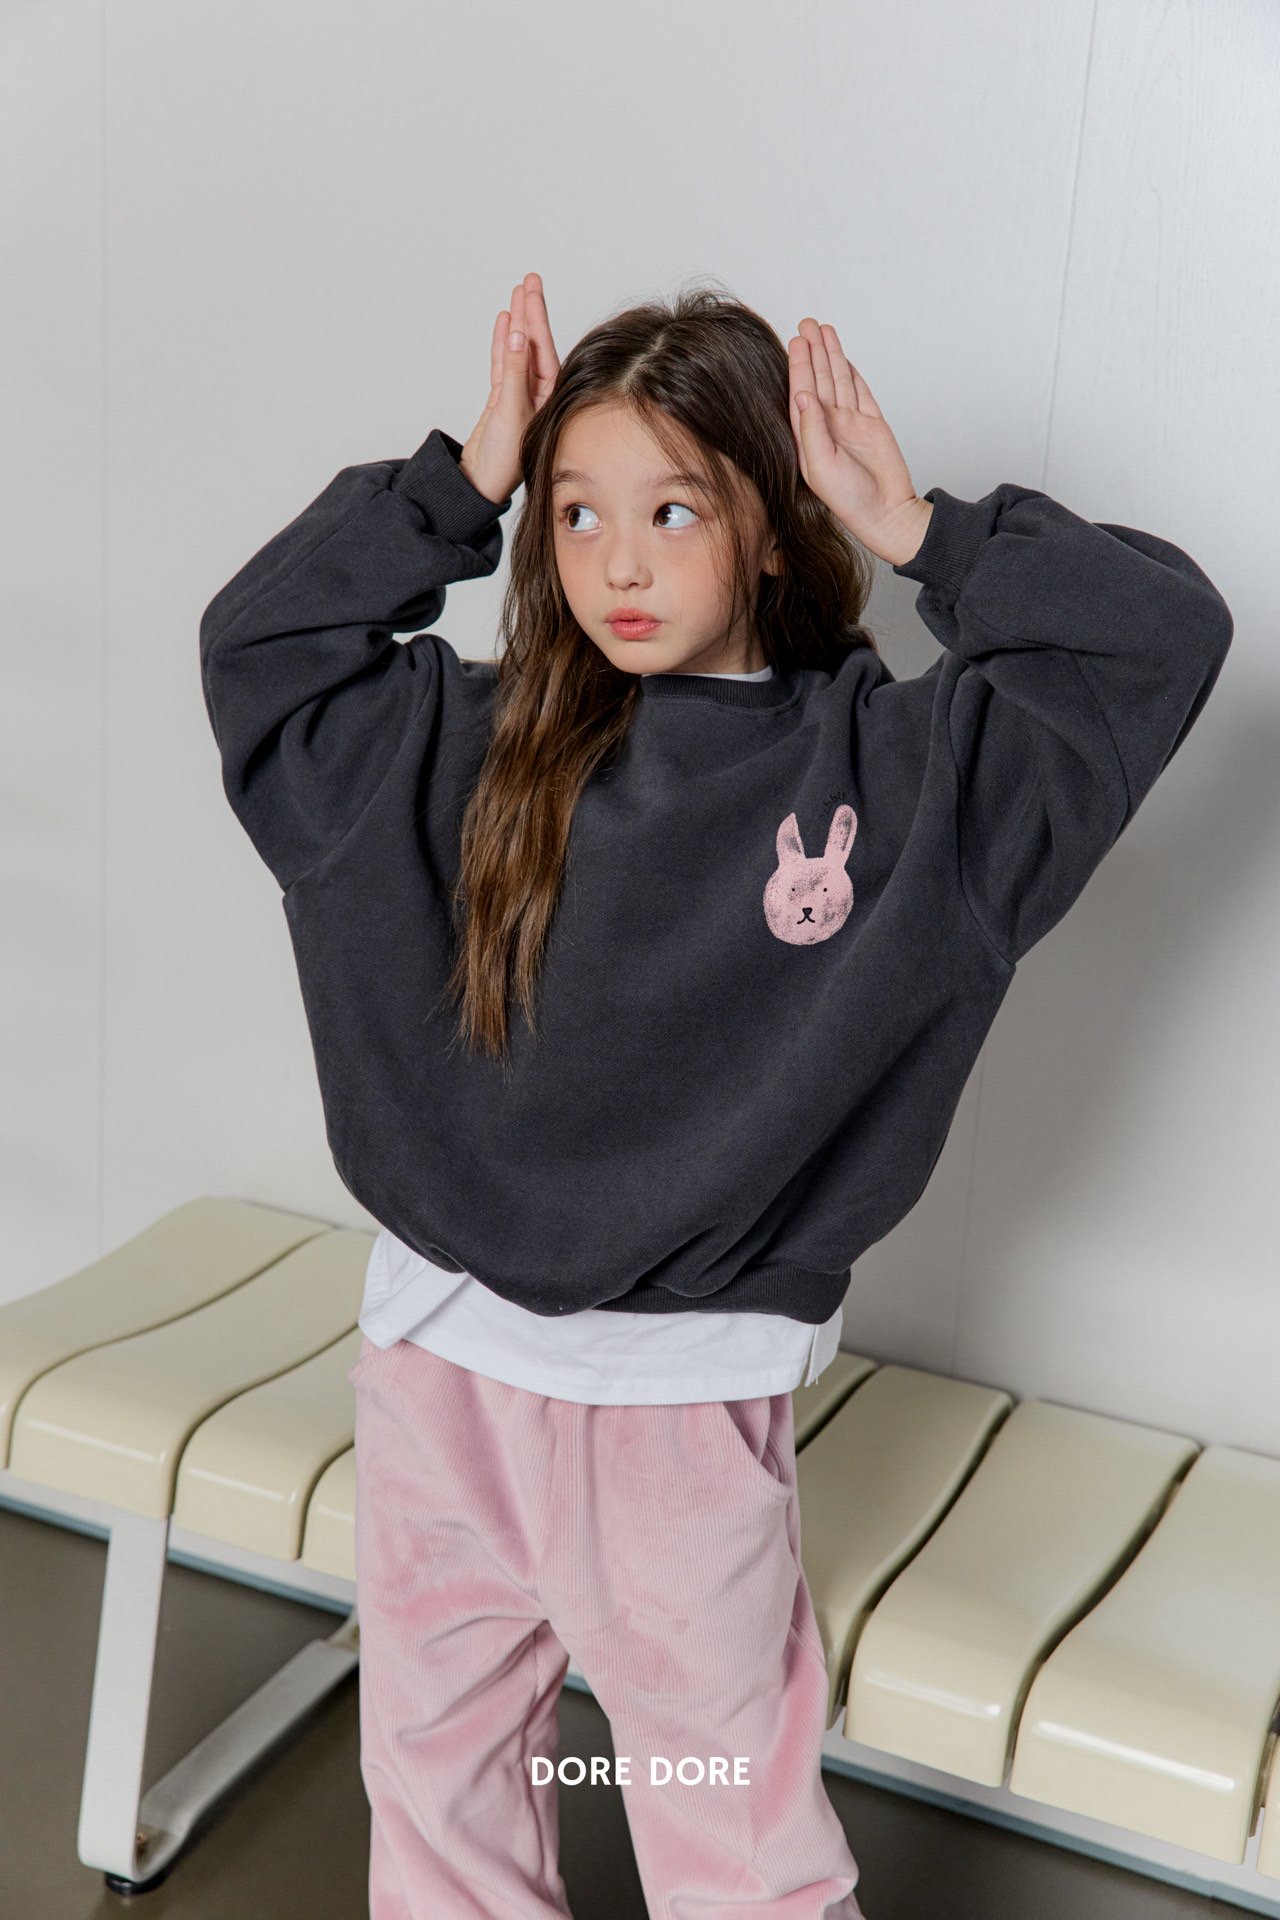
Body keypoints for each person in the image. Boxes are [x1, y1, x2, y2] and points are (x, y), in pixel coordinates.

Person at [198, 271, 1233, 1918]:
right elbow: (261, 648)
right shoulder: (462, 749)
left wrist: (921, 530)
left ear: (768, 526)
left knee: (724, 1831)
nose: (615, 561)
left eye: (673, 509)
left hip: (675, 1422)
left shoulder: (897, 784)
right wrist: (455, 488)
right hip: (437, 1373)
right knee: (440, 1799)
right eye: (576, 510)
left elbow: (1158, 637)